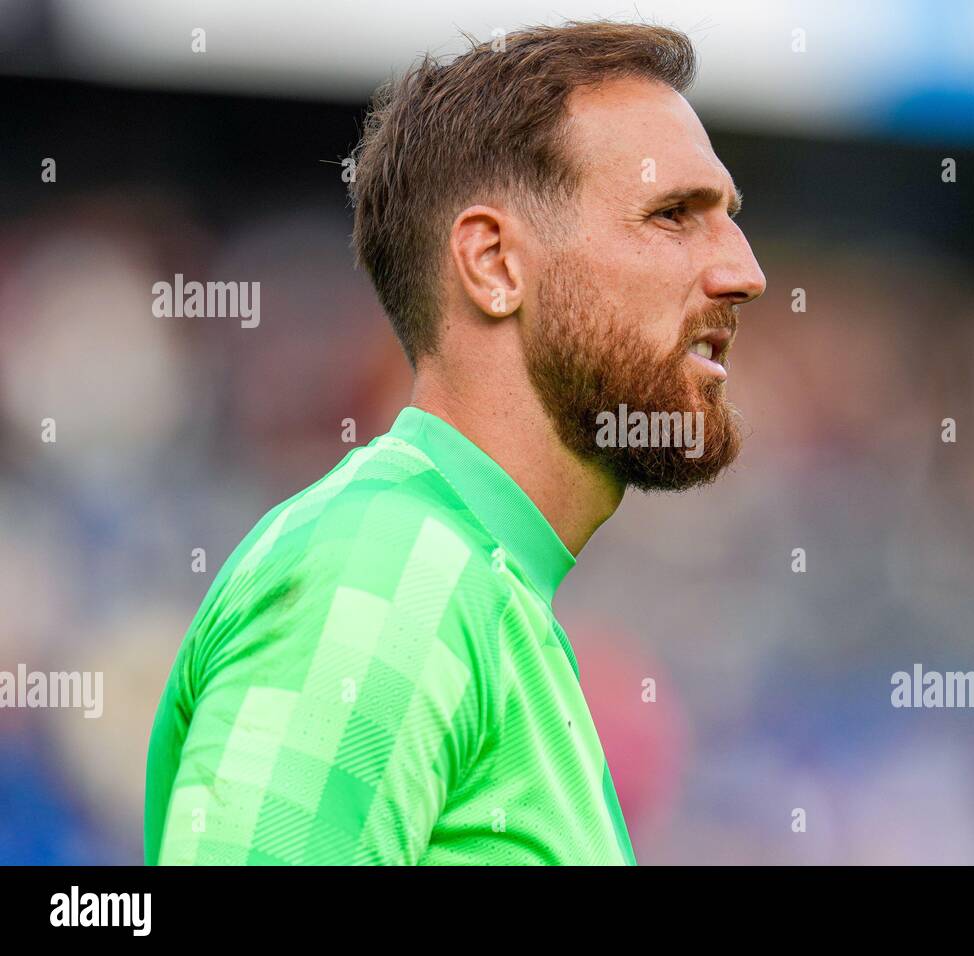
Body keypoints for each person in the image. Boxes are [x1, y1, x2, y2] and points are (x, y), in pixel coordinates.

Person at [144, 19, 765, 865]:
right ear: (495, 265)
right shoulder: (386, 566)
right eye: (671, 216)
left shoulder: (485, 595)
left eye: (728, 217)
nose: (745, 272)